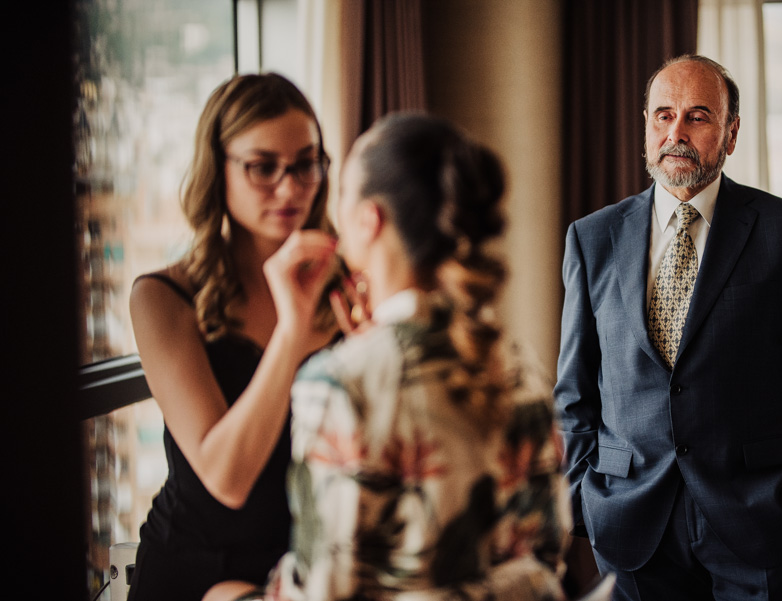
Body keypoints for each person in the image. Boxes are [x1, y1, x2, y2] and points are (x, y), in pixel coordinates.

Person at [554, 55, 782, 601]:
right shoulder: (591, 240)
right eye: (663, 116)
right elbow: (574, 389)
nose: (676, 133)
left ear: (731, 132)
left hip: (761, 519)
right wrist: (580, 497)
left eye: (697, 117)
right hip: (632, 522)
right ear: (645, 125)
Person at [258, 113, 573, 601]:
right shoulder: (515, 362)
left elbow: (324, 590)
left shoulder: (340, 384)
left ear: (369, 220)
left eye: (342, 191)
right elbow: (548, 555)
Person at [127, 73, 339, 601]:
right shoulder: (161, 299)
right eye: (262, 167)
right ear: (217, 169)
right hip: (195, 571)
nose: (290, 187)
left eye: (305, 163)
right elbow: (228, 478)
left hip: (311, 568)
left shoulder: (345, 285)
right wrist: (293, 334)